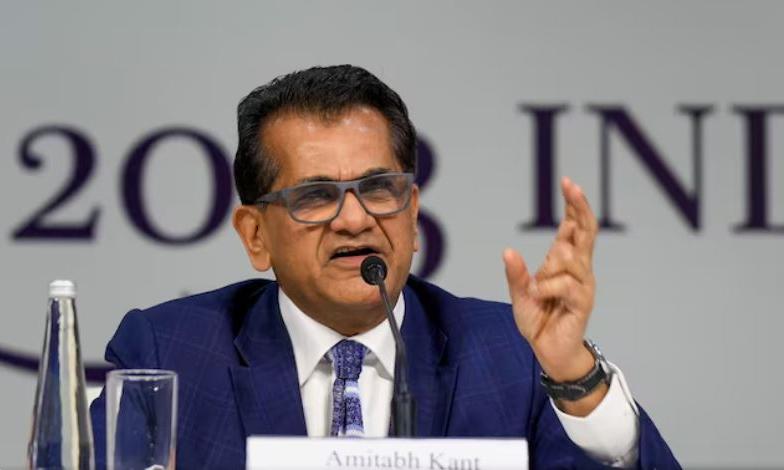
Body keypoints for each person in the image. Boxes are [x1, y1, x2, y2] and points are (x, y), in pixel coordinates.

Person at [90, 65, 680, 469]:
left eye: (378, 189)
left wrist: (575, 376)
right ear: (255, 235)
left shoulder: (515, 355)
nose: (355, 220)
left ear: (412, 213)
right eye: (315, 196)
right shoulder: (172, 353)